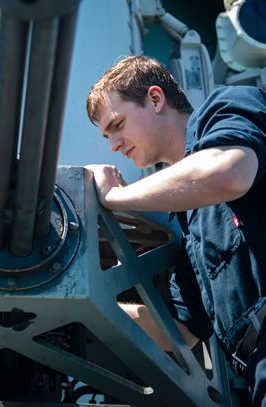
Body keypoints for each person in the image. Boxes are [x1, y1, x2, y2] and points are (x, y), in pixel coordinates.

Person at [86, 55, 266, 406]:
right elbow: (180, 330)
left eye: (118, 124)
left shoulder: (227, 105)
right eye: (107, 136)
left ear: (155, 99)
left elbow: (229, 172)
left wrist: (116, 197)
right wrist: (88, 302)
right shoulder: (189, 219)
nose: (113, 145)